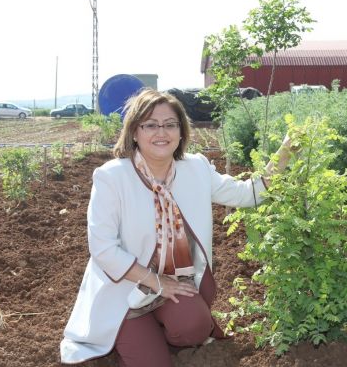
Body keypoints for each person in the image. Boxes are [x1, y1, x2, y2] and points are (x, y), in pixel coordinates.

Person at [60, 89, 294, 366]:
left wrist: (286, 152)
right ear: (134, 132)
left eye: (170, 124)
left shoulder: (196, 168)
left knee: (194, 327)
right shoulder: (112, 177)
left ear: (181, 132)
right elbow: (103, 249)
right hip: (126, 289)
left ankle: (161, 327)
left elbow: (248, 194)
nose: (162, 132)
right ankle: (133, 334)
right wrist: (156, 282)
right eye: (150, 125)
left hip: (173, 283)